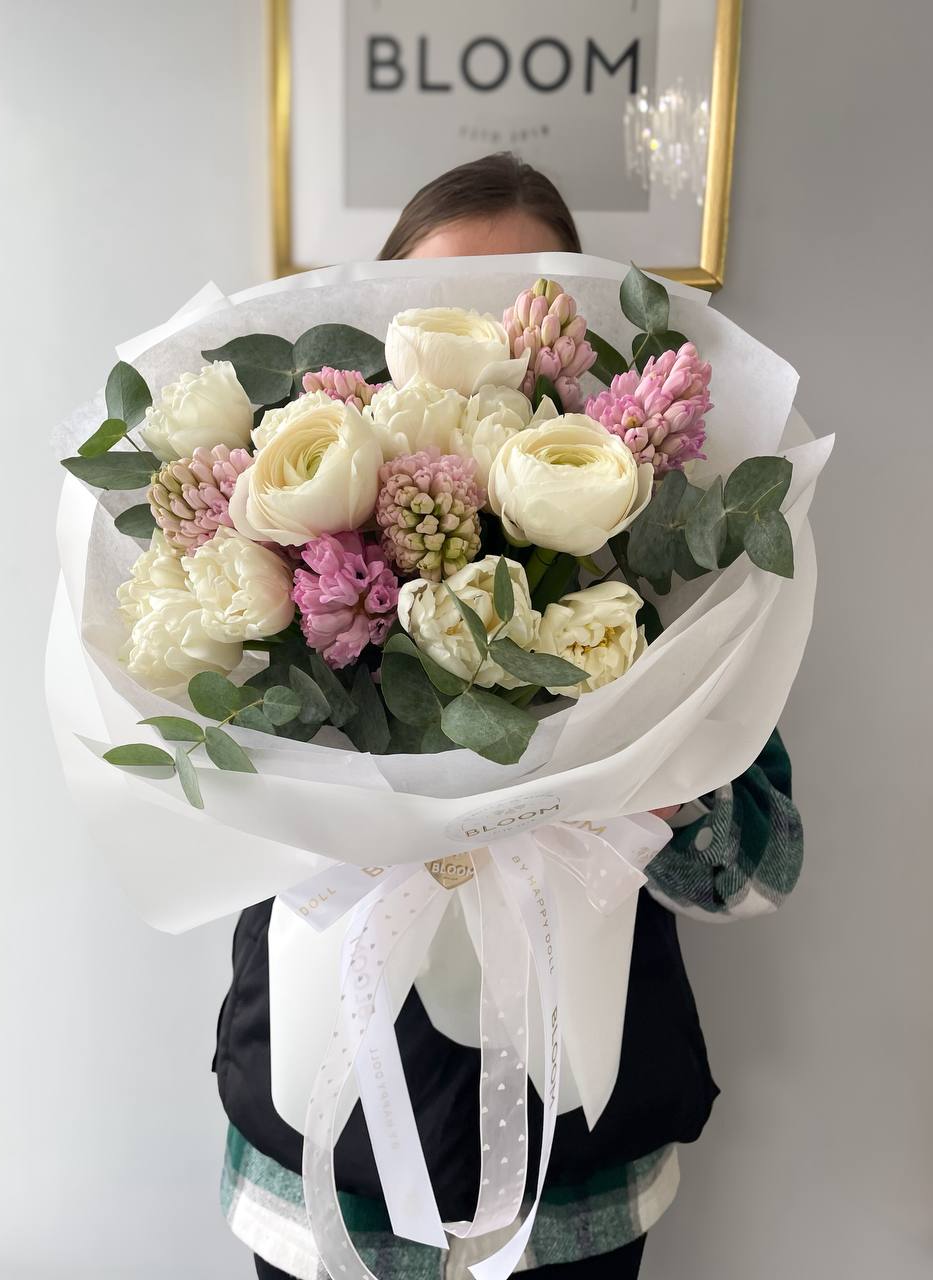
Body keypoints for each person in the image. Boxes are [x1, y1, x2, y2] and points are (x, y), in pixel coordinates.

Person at [215, 154, 804, 1280]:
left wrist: (657, 784)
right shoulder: (276, 558)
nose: (487, 355)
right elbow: (206, 834)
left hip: (574, 1176)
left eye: (518, 315)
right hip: (320, 1155)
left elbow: (761, 869)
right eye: (444, 313)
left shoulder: (659, 580)